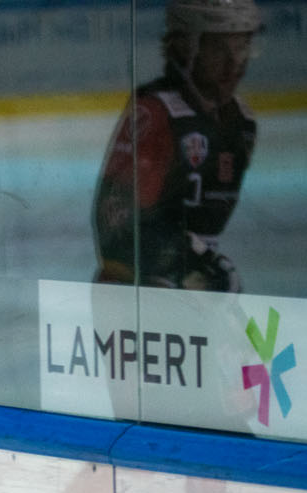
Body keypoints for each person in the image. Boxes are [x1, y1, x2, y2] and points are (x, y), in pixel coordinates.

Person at [92, 0, 260, 292]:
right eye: (219, 49)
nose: (234, 64)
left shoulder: (241, 125)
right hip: (136, 293)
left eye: (242, 46)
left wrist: (200, 267)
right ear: (184, 46)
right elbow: (116, 220)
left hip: (189, 294)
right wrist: (183, 266)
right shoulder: (157, 113)